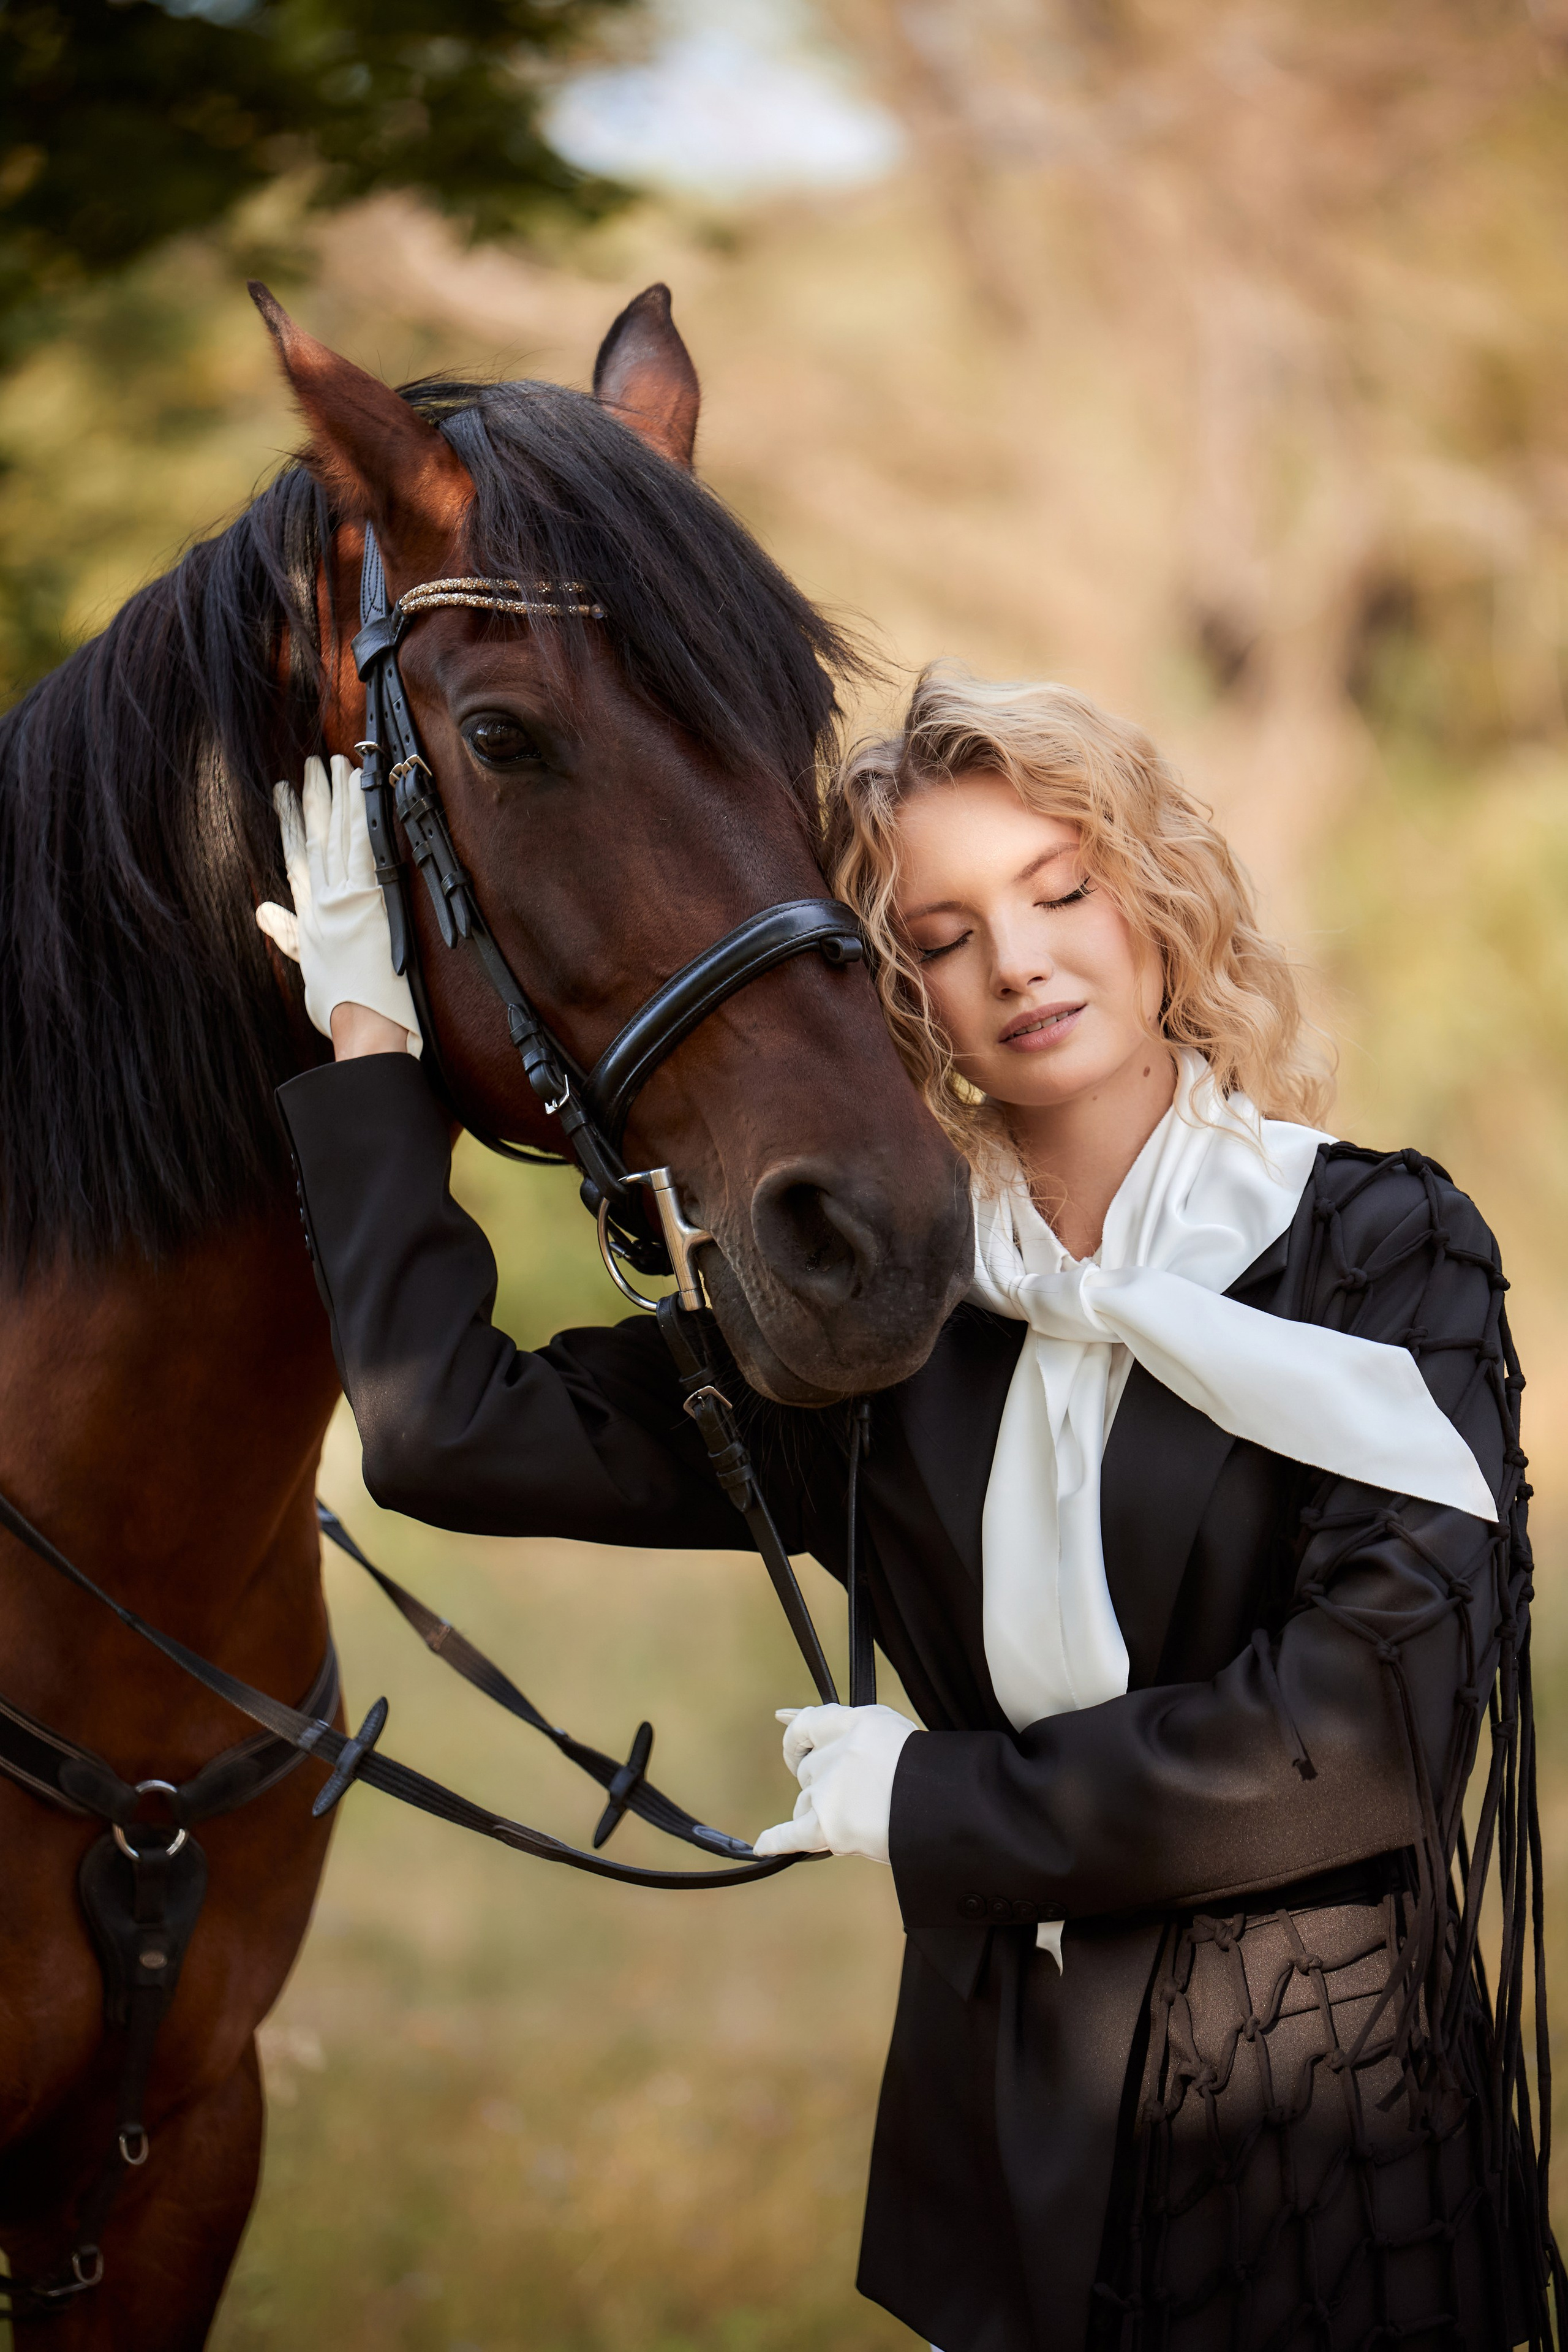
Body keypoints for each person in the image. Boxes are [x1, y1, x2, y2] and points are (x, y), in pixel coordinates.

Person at [264, 668, 1558, 2350]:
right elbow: (456, 1435)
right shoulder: (882, 1310)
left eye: (1059, 892)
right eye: (942, 938)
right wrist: (375, 1055)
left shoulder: (1386, 1249)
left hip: (1324, 2118)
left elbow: (1373, 1724)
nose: (1017, 963)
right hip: (1009, 2136)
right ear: (892, 995)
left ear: (1155, 899)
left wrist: (939, 1798)